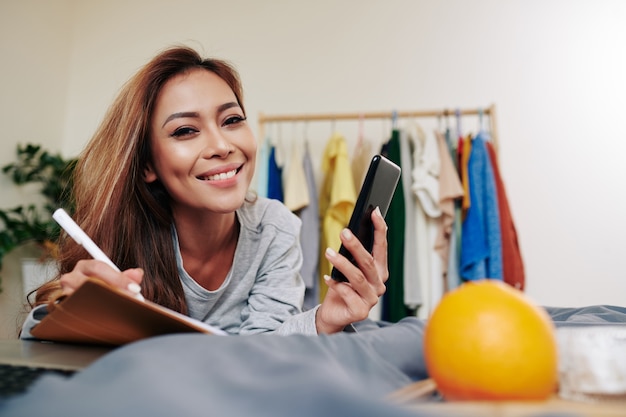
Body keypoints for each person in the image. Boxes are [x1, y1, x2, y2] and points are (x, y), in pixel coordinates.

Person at [21, 45, 389, 337]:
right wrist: (75, 312)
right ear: (148, 165)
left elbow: (266, 350)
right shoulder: (125, 231)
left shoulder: (274, 227)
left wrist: (325, 320)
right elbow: (33, 341)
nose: (221, 145)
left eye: (232, 121)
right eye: (185, 131)